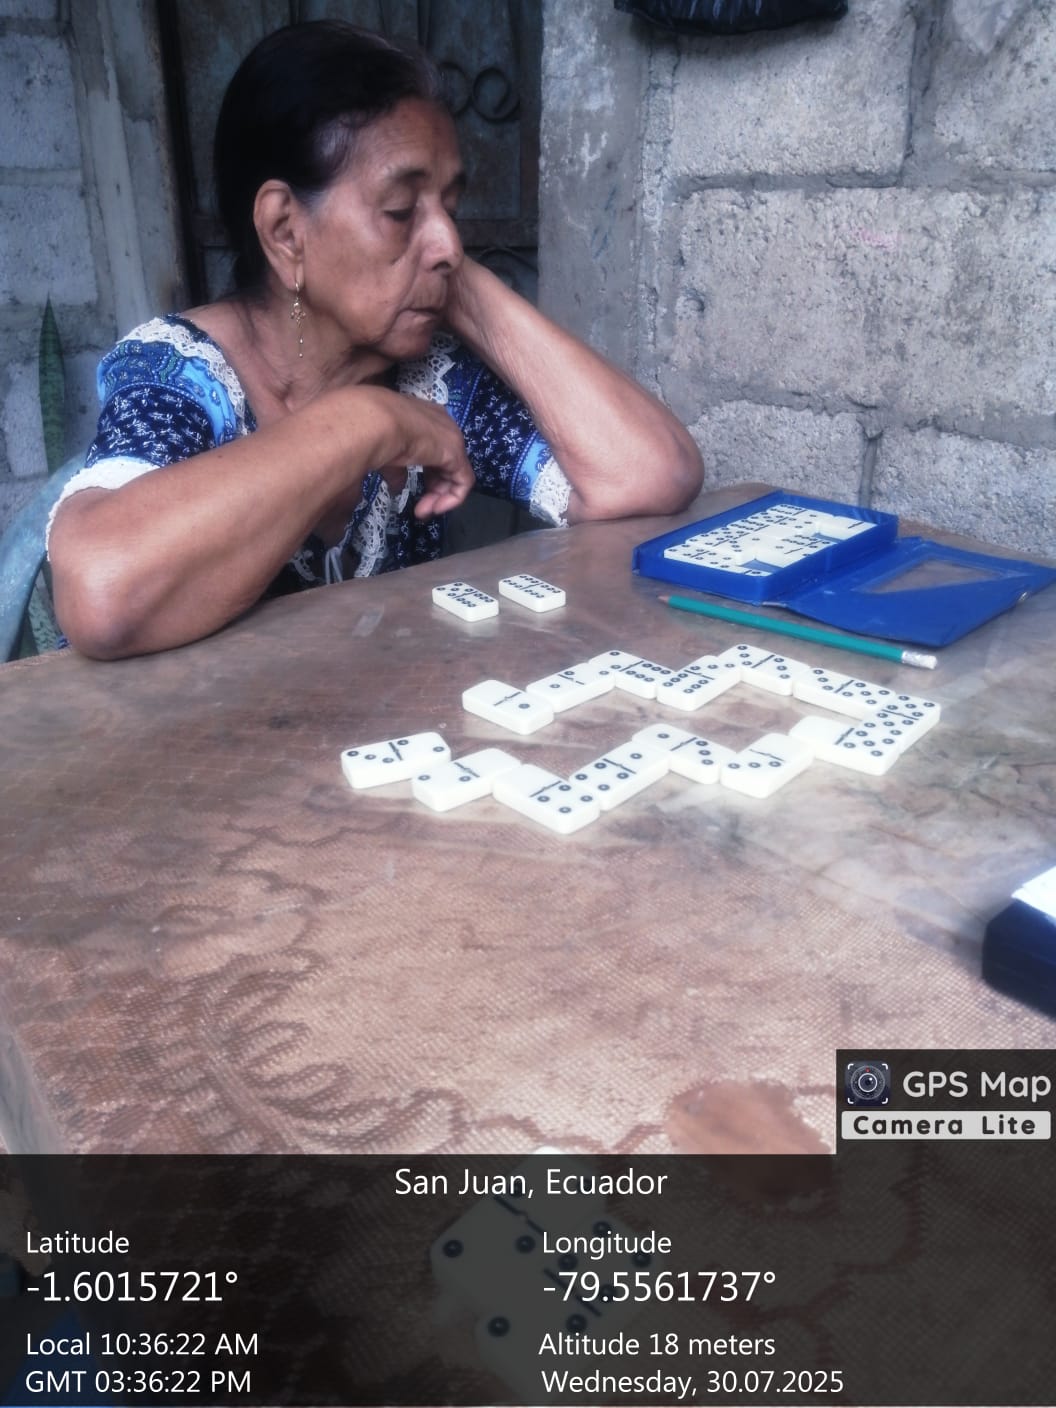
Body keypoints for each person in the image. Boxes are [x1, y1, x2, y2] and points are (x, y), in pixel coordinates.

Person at [47, 20, 703, 660]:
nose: (449, 243)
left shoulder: (433, 380)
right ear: (285, 232)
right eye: (400, 211)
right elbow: (103, 592)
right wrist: (365, 424)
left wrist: (463, 289)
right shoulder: (179, 375)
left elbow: (649, 476)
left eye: (451, 207)